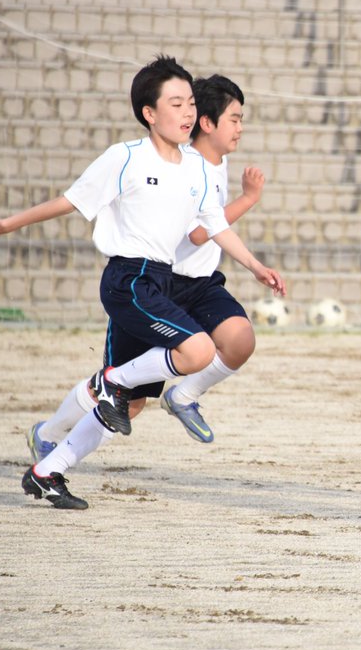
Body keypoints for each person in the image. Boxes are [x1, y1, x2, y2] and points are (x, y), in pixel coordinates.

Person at [0, 56, 285, 509]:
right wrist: (5, 225)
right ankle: (111, 381)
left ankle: (48, 470)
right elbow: (70, 202)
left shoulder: (196, 170)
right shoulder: (126, 157)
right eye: (175, 104)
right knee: (195, 352)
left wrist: (256, 267)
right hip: (129, 279)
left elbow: (213, 226)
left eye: (190, 103)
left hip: (156, 283)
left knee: (130, 405)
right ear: (149, 114)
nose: (187, 113)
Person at [22, 73, 265, 457]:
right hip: (154, 285)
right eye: (234, 118)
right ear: (208, 123)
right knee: (131, 404)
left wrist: (254, 265)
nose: (240, 127)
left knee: (239, 339)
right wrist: (249, 200)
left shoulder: (210, 165)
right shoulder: (169, 162)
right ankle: (52, 433)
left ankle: (181, 397)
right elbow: (200, 233)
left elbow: (214, 224)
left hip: (197, 284)